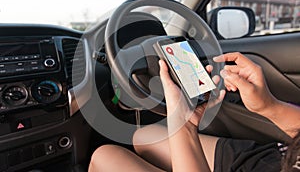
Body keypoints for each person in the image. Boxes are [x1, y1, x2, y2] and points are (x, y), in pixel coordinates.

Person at [88, 52, 300, 172]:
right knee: (144, 137)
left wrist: (184, 125)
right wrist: (268, 105)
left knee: (104, 156)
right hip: (270, 162)